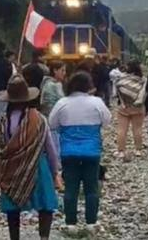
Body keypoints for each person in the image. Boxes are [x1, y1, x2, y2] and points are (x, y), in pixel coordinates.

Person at [0, 75, 60, 240]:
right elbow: (50, 148)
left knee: (12, 208)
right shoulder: (38, 119)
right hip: (37, 166)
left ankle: (15, 237)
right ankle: (44, 237)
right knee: (45, 204)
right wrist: (54, 170)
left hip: (12, 168)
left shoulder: (2, 121)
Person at [48, 72, 111, 234]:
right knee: (91, 188)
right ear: (88, 85)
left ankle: (71, 224)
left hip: (69, 152)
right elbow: (107, 121)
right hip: (92, 151)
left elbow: (52, 123)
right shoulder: (96, 102)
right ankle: (91, 223)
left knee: (71, 188)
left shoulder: (62, 103)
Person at [114, 60, 147, 158]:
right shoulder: (142, 79)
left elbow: (116, 93)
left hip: (124, 107)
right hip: (138, 107)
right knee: (137, 129)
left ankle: (121, 150)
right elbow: (145, 93)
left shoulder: (121, 78)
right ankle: (138, 150)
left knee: (121, 129)